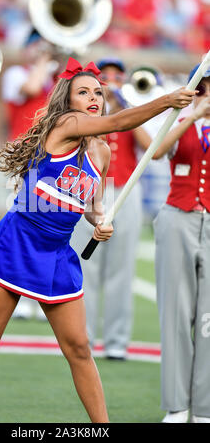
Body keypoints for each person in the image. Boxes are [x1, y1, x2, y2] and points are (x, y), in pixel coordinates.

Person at [0, 56, 194, 423]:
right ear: (68, 100)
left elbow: (92, 202)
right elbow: (119, 121)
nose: (93, 97)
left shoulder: (103, 152)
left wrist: (99, 221)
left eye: (97, 91)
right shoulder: (66, 124)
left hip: (57, 254)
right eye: (83, 92)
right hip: (16, 243)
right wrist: (165, 101)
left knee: (79, 348)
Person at [70, 57, 151, 360]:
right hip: (89, 189)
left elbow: (151, 147)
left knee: (121, 268)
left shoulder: (132, 111)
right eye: (106, 78)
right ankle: (84, 338)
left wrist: (124, 104)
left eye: (118, 76)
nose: (112, 81)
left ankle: (117, 341)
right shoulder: (84, 115)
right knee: (85, 266)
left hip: (126, 190)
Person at [152, 66, 210, 423]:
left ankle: (204, 407)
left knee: (208, 320)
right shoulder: (180, 117)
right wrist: (192, 115)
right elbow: (156, 151)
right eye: (202, 86)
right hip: (178, 215)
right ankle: (177, 405)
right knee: (175, 314)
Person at [2, 27, 62, 320]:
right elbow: (29, 89)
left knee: (46, 232)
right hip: (23, 160)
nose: (40, 49)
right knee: (22, 230)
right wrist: (43, 59)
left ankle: (39, 294)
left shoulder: (57, 80)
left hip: (51, 162)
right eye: (35, 44)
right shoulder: (16, 74)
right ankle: (19, 295)